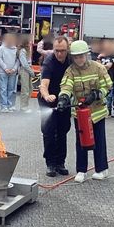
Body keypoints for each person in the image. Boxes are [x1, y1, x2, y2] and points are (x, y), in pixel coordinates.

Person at [57, 40, 113, 183]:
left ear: (87, 55)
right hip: (80, 113)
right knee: (81, 141)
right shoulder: (70, 71)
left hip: (97, 111)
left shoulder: (98, 68)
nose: (78, 59)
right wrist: (63, 98)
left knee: (99, 141)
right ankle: (81, 171)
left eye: (81, 56)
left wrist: (96, 94)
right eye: (75, 57)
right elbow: (66, 86)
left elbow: (107, 86)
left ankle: (102, 169)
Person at [38, 36, 71, 177]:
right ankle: (50, 163)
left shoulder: (71, 60)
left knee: (63, 130)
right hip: (48, 99)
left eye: (62, 51)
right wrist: (47, 96)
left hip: (65, 98)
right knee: (49, 131)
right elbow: (43, 85)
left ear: (67, 49)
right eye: (57, 51)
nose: (59, 54)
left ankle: (60, 163)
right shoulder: (49, 62)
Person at [0, 33, 19, 112]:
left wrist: (14, 69)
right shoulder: (2, 48)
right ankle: (3, 106)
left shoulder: (16, 49)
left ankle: (9, 105)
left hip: (13, 72)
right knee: (3, 89)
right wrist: (5, 68)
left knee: (11, 89)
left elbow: (17, 60)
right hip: (2, 72)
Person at [17, 35, 35, 112]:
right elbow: (24, 64)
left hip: (27, 70)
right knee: (25, 89)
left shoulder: (27, 50)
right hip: (24, 71)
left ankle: (25, 105)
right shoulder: (22, 51)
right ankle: (23, 107)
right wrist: (31, 72)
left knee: (30, 88)